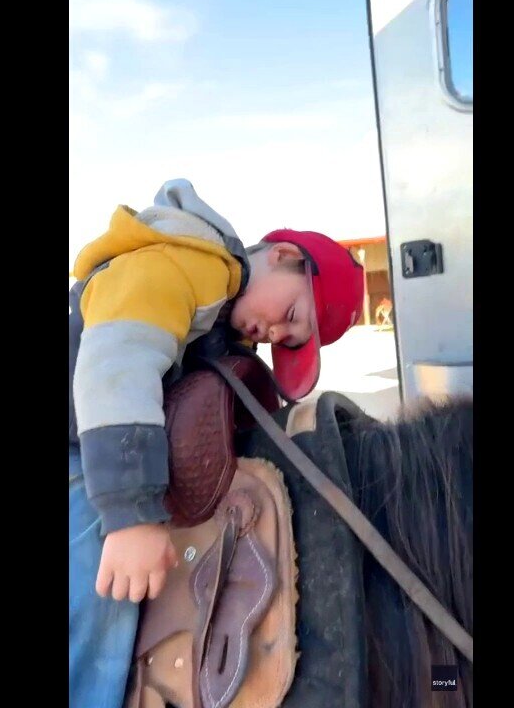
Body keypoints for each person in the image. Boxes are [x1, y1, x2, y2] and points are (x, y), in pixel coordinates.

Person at [68, 179, 363, 707]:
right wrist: (131, 515)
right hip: (82, 444)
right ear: (284, 255)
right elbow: (116, 365)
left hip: (104, 441)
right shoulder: (184, 263)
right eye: (291, 315)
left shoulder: (227, 321)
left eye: (287, 342)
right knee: (101, 583)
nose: (275, 333)